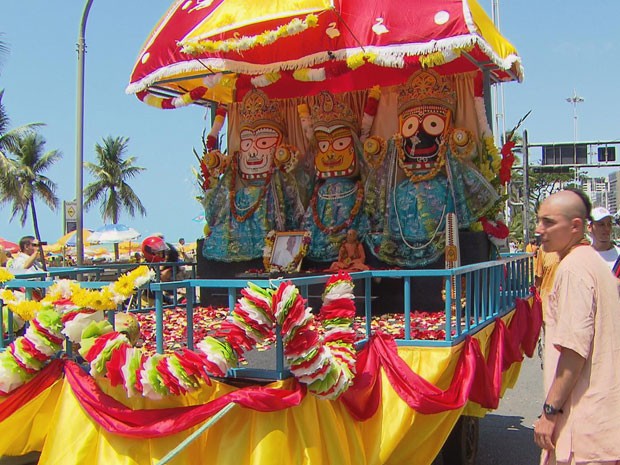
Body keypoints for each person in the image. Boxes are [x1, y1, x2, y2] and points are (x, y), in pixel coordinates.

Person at [533, 189, 620, 465]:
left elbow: (573, 352)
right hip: (600, 424)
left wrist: (549, 412)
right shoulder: (591, 262)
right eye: (539, 221)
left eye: (548, 222)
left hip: (585, 427)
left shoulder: (573, 269)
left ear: (576, 226)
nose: (539, 229)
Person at [588, 206, 620, 272]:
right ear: (590, 227)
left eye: (609, 224)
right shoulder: (583, 257)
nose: (607, 229)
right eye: (601, 224)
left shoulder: (618, 255)